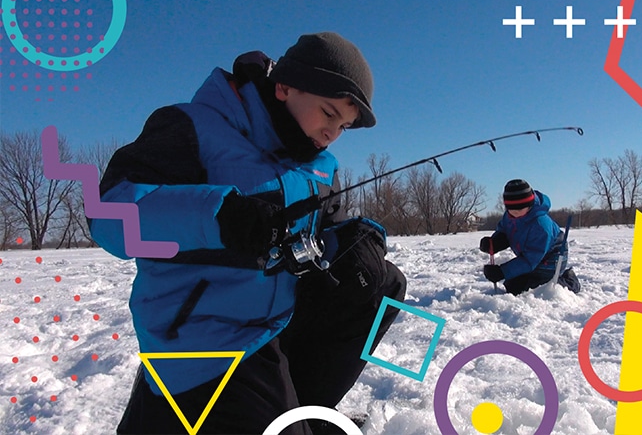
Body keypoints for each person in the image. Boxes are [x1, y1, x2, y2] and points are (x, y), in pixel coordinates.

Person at [89, 32, 407, 434]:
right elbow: (108, 216)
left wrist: (362, 239)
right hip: (209, 335)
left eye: (343, 126)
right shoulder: (193, 127)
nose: (332, 133)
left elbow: (332, 227)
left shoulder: (319, 167)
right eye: (328, 113)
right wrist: (221, 215)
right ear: (285, 86)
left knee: (382, 283)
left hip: (275, 320)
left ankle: (300, 411)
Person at [479, 179, 580, 295]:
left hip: (551, 260)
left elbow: (529, 259)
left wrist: (502, 271)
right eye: (511, 209)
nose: (515, 212)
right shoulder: (509, 216)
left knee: (529, 290)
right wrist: (495, 242)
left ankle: (568, 281)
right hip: (530, 256)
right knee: (511, 284)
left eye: (520, 209)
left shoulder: (540, 225)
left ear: (529, 204)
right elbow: (504, 229)